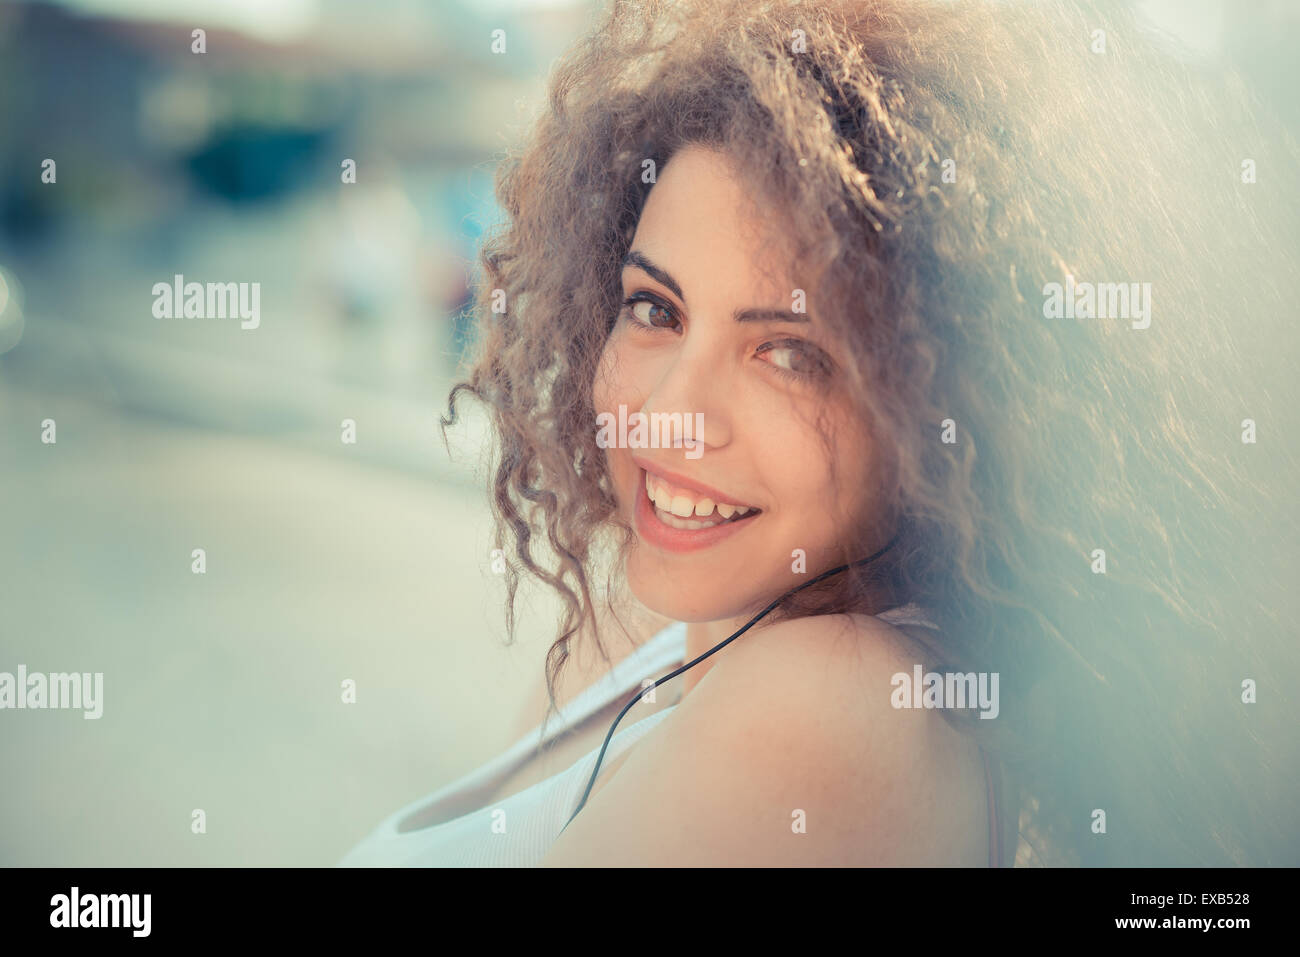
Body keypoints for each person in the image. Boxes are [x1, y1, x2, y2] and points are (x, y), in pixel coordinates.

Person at [341, 0, 1298, 867]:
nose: (673, 408)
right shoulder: (662, 631)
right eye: (654, 308)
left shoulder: (826, 704)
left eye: (791, 353)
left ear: (943, 407)